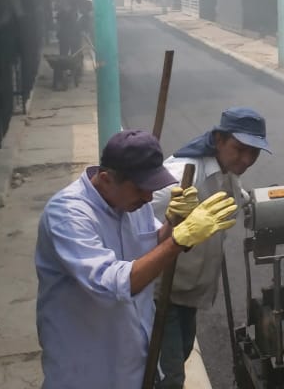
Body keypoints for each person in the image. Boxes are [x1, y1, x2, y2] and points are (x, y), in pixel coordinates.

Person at [35, 130, 238, 389]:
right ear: (106, 180)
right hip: (86, 366)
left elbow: (148, 248)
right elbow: (112, 284)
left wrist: (172, 225)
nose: (149, 198)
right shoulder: (68, 215)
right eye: (141, 189)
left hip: (131, 356)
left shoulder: (130, 205)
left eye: (152, 188)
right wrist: (179, 241)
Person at [150, 108, 270, 389]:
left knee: (177, 360)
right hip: (160, 296)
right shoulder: (181, 175)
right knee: (170, 378)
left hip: (187, 293)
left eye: (254, 153)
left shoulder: (225, 171)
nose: (247, 160)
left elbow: (237, 197)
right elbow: (132, 226)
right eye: (239, 149)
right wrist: (174, 225)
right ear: (218, 139)